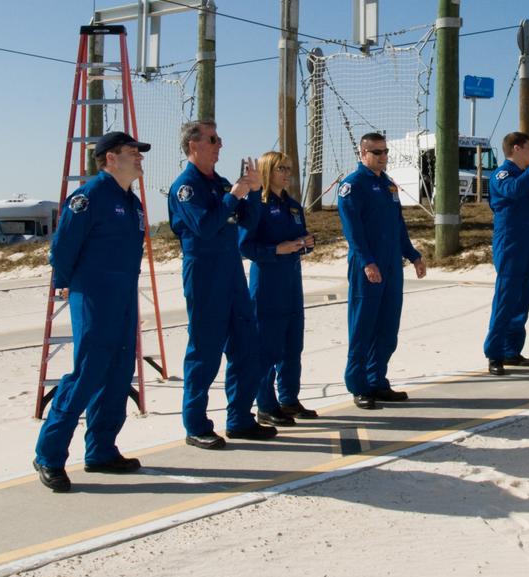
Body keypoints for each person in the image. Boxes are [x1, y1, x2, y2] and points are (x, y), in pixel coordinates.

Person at [32, 132, 151, 492]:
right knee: (88, 372)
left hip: (124, 295)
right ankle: (49, 454)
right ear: (110, 158)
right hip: (95, 294)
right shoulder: (89, 196)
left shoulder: (132, 202)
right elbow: (62, 247)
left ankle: (101, 450)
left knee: (119, 373)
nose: (140, 158)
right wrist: (68, 283)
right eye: (133, 153)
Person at [169, 120, 273, 449]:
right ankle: (196, 423)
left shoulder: (222, 183)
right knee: (205, 351)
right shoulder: (186, 187)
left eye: (219, 139)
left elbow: (249, 222)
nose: (219, 145)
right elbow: (204, 226)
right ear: (193, 145)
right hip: (204, 273)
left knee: (246, 346)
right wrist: (234, 196)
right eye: (213, 139)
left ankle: (240, 418)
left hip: (231, 273)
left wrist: (253, 191)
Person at [337, 132, 428, 409]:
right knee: (364, 326)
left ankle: (377, 380)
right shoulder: (352, 186)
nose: (382, 156)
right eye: (376, 152)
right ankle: (359, 384)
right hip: (368, 266)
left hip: (391, 265)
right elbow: (353, 231)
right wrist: (366, 262)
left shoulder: (389, 185)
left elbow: (398, 226)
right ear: (363, 154)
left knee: (388, 327)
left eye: (385, 151)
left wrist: (413, 256)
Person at [239, 151, 318, 427]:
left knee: (292, 344)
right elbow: (245, 246)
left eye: (288, 168)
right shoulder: (257, 205)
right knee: (267, 346)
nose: (286, 173)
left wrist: (306, 243)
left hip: (292, 281)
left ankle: (289, 399)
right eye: (280, 168)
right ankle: (265, 404)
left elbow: (302, 239)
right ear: (267, 171)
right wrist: (276, 250)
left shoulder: (293, 205)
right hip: (267, 283)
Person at [483, 132, 529, 375]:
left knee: (523, 300)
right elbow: (513, 190)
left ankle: (511, 349)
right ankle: (494, 353)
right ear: (516, 148)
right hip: (510, 245)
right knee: (505, 300)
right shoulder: (503, 173)